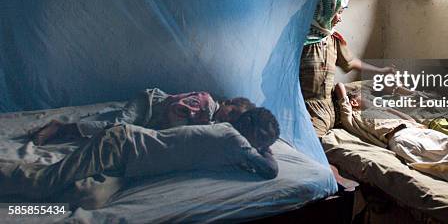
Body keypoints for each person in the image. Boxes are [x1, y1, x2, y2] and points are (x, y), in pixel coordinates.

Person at [1, 107, 281, 203]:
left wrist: (260, 144)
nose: (260, 147)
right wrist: (265, 149)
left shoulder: (227, 137)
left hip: (130, 165)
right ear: (248, 129)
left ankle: (40, 179)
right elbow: (270, 170)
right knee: (44, 184)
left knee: (88, 198)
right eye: (261, 140)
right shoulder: (232, 138)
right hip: (121, 144)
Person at [300, 0, 394, 137]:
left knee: (374, 101)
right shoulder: (298, 41)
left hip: (330, 105)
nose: (340, 19)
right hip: (308, 108)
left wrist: (381, 71)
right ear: (324, 10)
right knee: (316, 144)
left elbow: (350, 62)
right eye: (338, 12)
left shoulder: (333, 39)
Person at [333, 82, 448, 188]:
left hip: (414, 129)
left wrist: (406, 119)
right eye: (365, 97)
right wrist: (350, 94)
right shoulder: (354, 117)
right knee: (434, 159)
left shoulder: (380, 108)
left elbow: (407, 118)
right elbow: (340, 88)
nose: (369, 99)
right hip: (399, 138)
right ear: (354, 102)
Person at [31, 89, 255, 145]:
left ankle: (84, 122)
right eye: (232, 111)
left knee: (116, 123)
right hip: (148, 102)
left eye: (234, 120)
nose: (230, 118)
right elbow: (177, 108)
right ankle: (60, 127)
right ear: (227, 102)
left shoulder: (213, 122)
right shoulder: (206, 103)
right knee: (117, 128)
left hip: (149, 117)